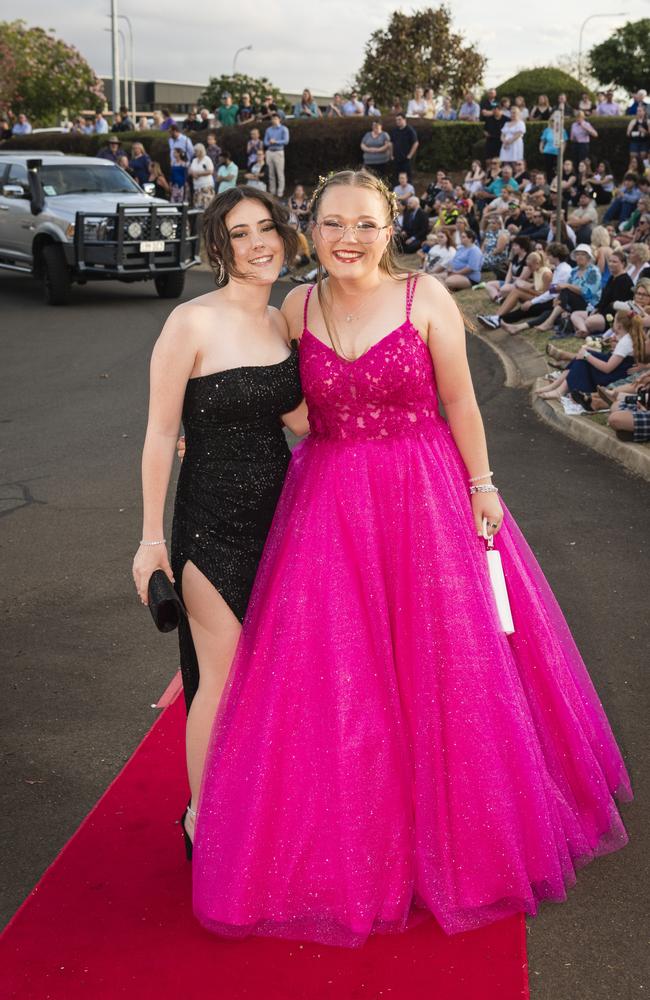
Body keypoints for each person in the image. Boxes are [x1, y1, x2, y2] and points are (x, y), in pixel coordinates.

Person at [191, 168, 631, 944]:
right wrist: (213, 431)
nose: (348, 239)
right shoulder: (296, 306)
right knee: (339, 675)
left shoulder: (424, 297)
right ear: (311, 231)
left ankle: (465, 841)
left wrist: (483, 484)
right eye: (332, 224)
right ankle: (351, 837)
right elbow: (278, 398)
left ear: (390, 229)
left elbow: (459, 398)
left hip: (426, 493)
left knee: (449, 667)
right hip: (327, 502)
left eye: (364, 224)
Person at [132, 187, 305, 855]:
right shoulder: (191, 322)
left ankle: (261, 800)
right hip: (210, 523)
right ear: (219, 247)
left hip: (283, 518)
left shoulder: (281, 322)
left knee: (274, 673)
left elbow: (297, 419)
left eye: (267, 227)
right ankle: (206, 821)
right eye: (240, 233)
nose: (259, 241)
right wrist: (151, 542)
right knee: (222, 675)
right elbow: (157, 434)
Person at [537, 309, 643, 400]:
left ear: (619, 326)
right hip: (618, 371)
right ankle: (556, 386)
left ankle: (559, 390)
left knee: (583, 358)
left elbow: (608, 368)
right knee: (584, 355)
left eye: (614, 320)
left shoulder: (625, 342)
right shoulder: (628, 338)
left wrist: (587, 356)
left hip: (613, 377)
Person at [263, 113, 289, 198]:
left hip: (279, 152)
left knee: (280, 173)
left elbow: (286, 141)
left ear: (279, 119)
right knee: (271, 173)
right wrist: (270, 142)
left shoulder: (283, 129)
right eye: (272, 119)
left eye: (275, 118)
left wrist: (275, 141)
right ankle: (272, 191)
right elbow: (265, 142)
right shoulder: (268, 130)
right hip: (269, 152)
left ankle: (280, 192)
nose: (273, 120)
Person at [389, 113, 419, 183]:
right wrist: (391, 155)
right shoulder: (394, 130)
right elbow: (391, 143)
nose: (398, 121)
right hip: (396, 158)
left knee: (407, 178)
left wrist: (409, 156)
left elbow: (416, 143)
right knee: (396, 178)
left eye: (399, 119)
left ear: (404, 120)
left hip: (406, 159)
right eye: (396, 120)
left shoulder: (410, 130)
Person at [189, 143, 216, 208]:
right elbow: (190, 170)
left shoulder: (207, 159)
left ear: (201, 151)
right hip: (197, 187)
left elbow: (211, 171)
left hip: (206, 186)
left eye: (196, 151)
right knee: (197, 206)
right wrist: (193, 174)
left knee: (206, 206)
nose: (195, 153)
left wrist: (198, 174)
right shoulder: (194, 160)